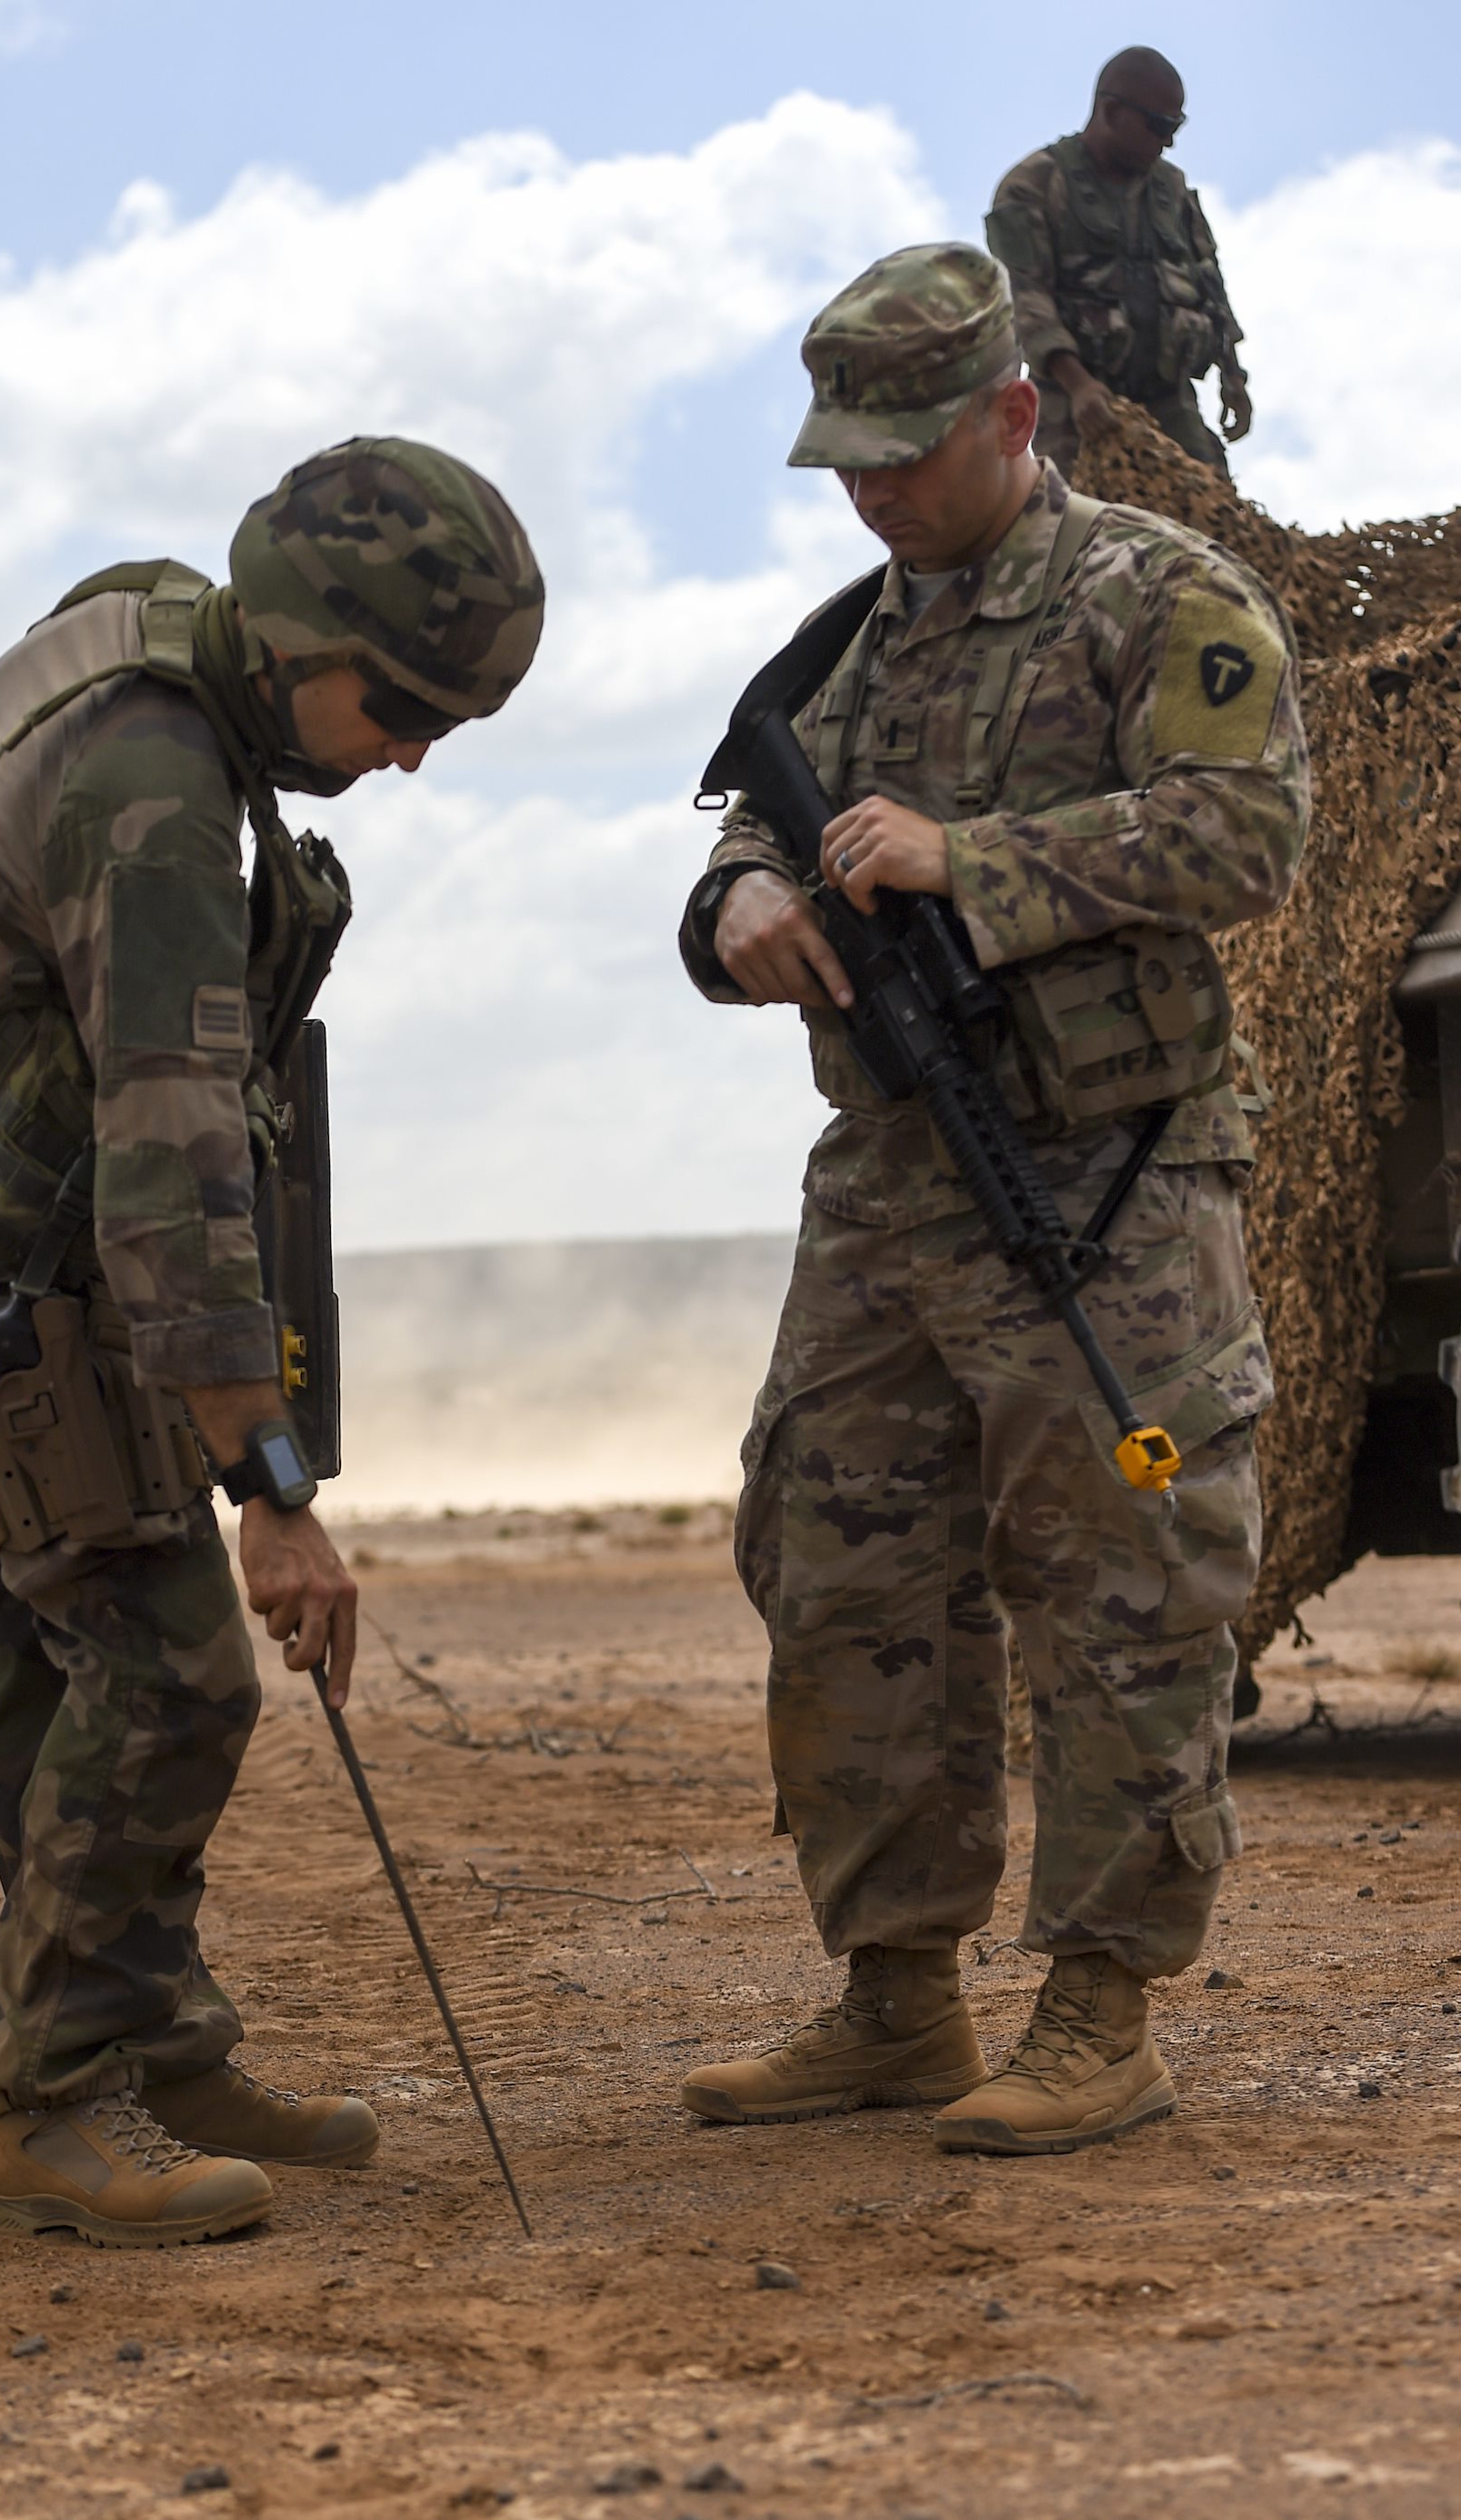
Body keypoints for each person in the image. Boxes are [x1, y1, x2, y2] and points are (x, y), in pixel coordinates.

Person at [0, 438, 543, 2246]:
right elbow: (175, 1163)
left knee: (50, 1645)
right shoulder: (153, 789)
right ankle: (57, 2100)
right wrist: (269, 1485)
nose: (414, 752)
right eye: (402, 704)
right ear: (298, 641)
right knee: (173, 1664)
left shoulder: (176, 655)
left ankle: (140, 2037)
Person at [675, 244, 1307, 2155]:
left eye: (906, 454)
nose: (872, 493)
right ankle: (893, 1997)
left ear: (1013, 415)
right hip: (886, 1184)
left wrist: (975, 861)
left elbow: (1248, 829)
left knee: (1123, 1582)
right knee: (842, 1561)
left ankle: (1101, 2005)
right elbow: (741, 835)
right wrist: (736, 910)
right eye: (846, 462)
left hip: (1102, 1178)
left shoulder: (1155, 597)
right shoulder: (842, 649)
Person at [986, 47, 1249, 477]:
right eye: (1158, 125)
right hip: (1076, 401)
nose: (1169, 141)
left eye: (1176, 126)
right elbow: (1025, 298)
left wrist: (1232, 376)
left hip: (1168, 398)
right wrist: (1078, 385)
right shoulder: (1033, 185)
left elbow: (1208, 283)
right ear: (1110, 111)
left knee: (1214, 523)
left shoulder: (1171, 190)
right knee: (1080, 526)